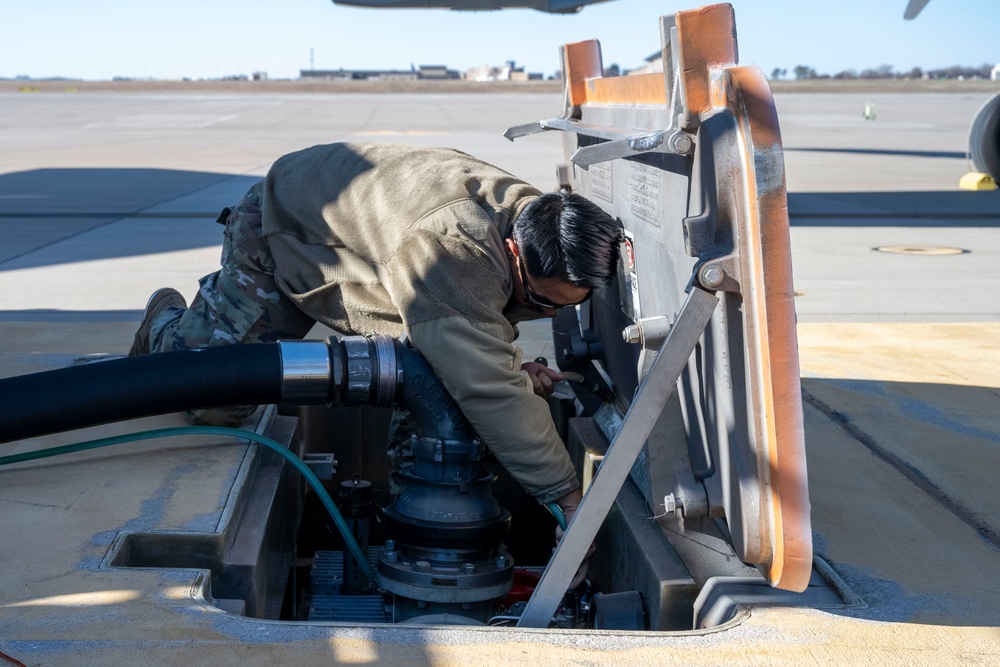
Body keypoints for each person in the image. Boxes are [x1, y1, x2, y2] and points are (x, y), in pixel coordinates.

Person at [129, 141, 621, 535]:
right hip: (290, 227)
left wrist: (507, 362)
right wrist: (568, 498)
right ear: (513, 250)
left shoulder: (541, 220)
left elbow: (476, 326)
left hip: (386, 246)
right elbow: (484, 381)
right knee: (211, 400)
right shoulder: (455, 247)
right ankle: (167, 323)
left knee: (445, 378)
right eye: (540, 302)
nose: (545, 313)